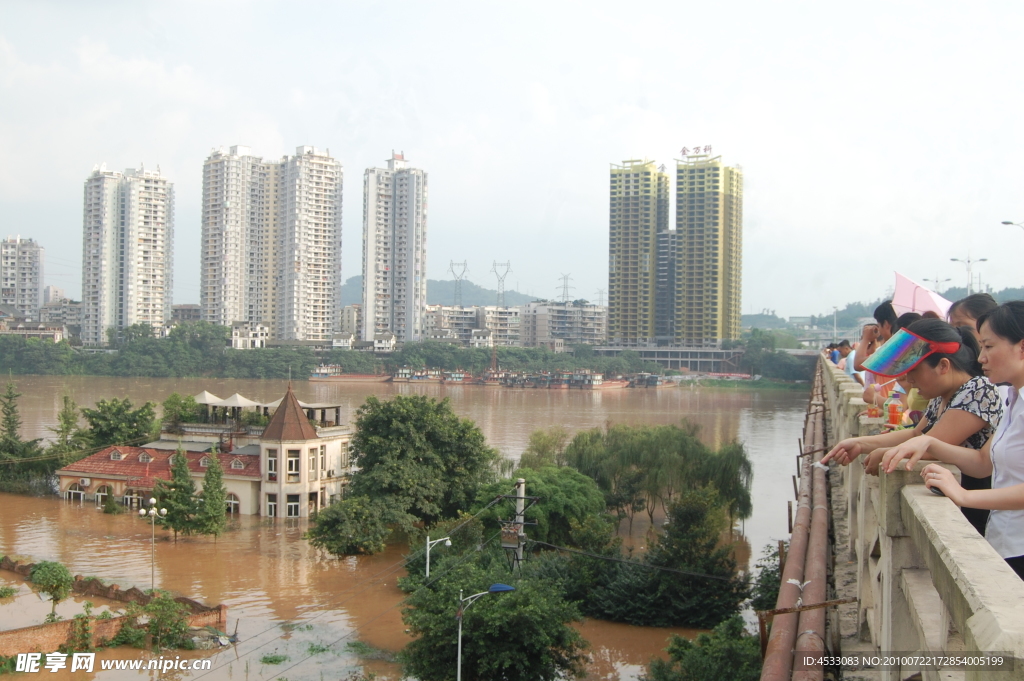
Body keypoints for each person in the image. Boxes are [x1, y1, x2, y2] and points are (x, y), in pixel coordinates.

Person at [883, 302, 1024, 579]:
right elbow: (984, 462)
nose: (981, 357)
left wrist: (964, 495)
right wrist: (930, 444)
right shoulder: (1013, 400)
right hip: (1005, 542)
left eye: (989, 346)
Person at [822, 318, 1002, 534]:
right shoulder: (943, 394)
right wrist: (860, 443)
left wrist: (884, 452)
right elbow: (917, 433)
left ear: (943, 366)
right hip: (959, 501)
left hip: (977, 507)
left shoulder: (978, 390)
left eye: (913, 370)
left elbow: (929, 446)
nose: (908, 380)